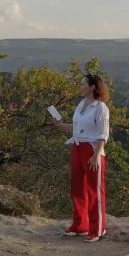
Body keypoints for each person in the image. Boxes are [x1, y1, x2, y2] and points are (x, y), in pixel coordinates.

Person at [52, 73, 111, 243]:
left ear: (92, 87)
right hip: (77, 147)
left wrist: (96, 155)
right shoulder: (81, 104)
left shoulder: (101, 108)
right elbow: (78, 127)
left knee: (95, 191)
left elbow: (102, 134)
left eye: (83, 84)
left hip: (92, 150)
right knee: (77, 188)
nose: (80, 87)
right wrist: (61, 126)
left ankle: (98, 229)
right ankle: (80, 225)